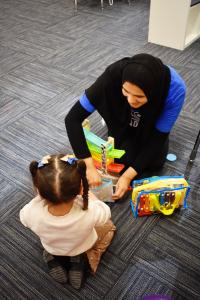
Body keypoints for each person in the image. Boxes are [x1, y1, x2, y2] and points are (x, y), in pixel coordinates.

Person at [65, 53, 186, 200]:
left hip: (151, 121)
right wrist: (89, 167)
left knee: (155, 163)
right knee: (121, 159)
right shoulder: (112, 76)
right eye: (126, 92)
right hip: (121, 115)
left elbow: (157, 138)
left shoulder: (174, 90)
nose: (131, 100)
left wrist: (128, 177)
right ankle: (114, 120)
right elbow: (72, 119)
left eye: (139, 97)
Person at [19, 154, 116, 289]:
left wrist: (39, 196)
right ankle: (79, 260)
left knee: (50, 243)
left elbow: (23, 218)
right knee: (110, 227)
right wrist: (89, 195)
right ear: (81, 187)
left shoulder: (31, 212)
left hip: (53, 246)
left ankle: (51, 256)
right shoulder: (90, 211)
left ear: (39, 190)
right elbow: (106, 213)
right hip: (82, 245)